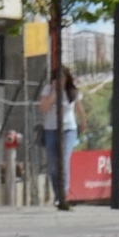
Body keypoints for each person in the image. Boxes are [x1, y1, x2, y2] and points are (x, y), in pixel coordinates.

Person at [39, 67, 80, 209]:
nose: (61, 81)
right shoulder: (48, 90)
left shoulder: (72, 91)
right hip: (50, 129)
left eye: (63, 78)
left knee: (64, 159)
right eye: (58, 78)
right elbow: (43, 108)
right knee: (52, 164)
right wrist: (54, 93)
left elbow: (79, 108)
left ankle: (64, 192)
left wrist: (84, 123)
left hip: (69, 129)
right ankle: (58, 194)